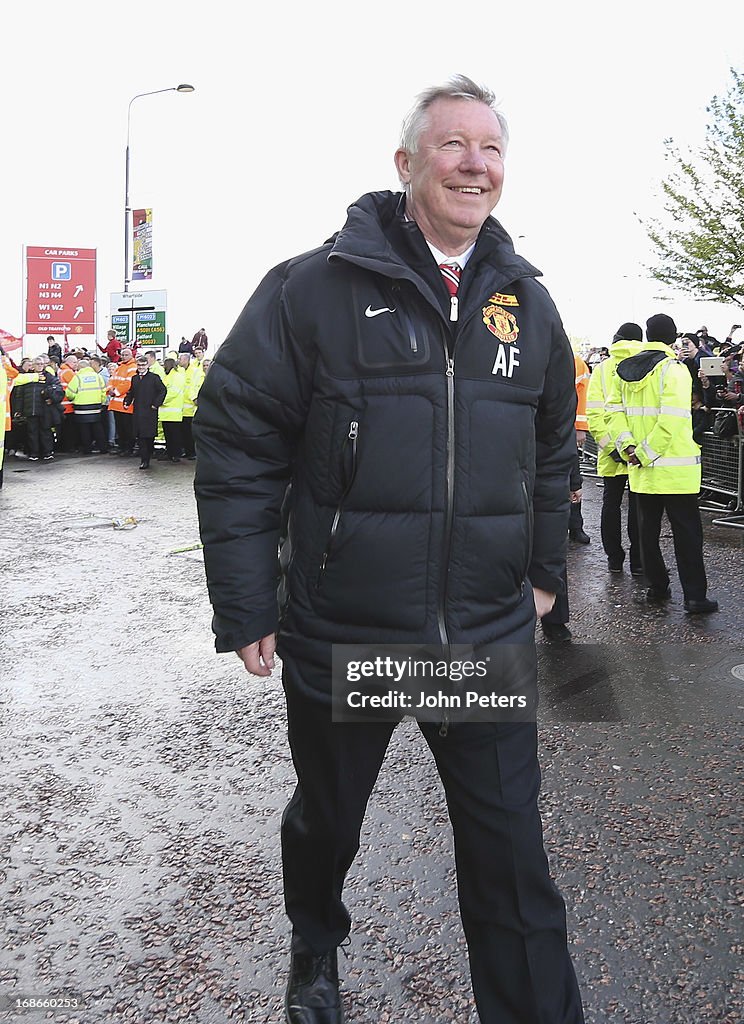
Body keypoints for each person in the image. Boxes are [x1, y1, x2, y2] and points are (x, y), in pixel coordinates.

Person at [193, 75, 584, 1024]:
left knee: (513, 862)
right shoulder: (310, 289)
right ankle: (315, 937)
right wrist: (248, 604)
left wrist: (540, 574)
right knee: (329, 822)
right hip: (349, 634)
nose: (474, 164)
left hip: (483, 640)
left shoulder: (526, 304)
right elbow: (238, 444)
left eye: (490, 149)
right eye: (452, 145)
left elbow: (550, 448)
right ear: (406, 163)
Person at [608, 313, 719, 614]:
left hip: (642, 471)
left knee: (647, 534)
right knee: (687, 537)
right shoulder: (675, 370)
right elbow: (671, 421)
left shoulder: (623, 371)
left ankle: (657, 588)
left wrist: (630, 448)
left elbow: (613, 413)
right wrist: (644, 452)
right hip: (676, 471)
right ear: (672, 338)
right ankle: (695, 597)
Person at [585, 322, 643, 574]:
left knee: (611, 505)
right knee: (639, 508)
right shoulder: (650, 364)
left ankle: (614, 559)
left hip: (612, 453)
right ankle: (639, 561)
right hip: (641, 453)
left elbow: (595, 413)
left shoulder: (602, 369)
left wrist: (612, 448)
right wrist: (632, 449)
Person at [15, 356, 64, 461]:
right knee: (32, 432)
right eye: (37, 364)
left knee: (45, 431)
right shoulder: (27, 377)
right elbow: (19, 395)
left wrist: (52, 398)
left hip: (45, 409)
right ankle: (34, 453)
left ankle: (47, 452)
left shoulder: (49, 376)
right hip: (30, 409)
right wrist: (18, 409)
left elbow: (59, 389)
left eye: (41, 364)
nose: (40, 366)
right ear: (33, 365)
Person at [123, 355, 167, 469]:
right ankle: (144, 460)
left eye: (143, 365)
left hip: (149, 412)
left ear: (147, 365)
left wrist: (155, 404)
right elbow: (131, 392)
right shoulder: (135, 378)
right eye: (139, 365)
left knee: (149, 437)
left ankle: (148, 455)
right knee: (140, 437)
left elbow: (162, 390)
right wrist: (127, 401)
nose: (141, 367)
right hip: (138, 411)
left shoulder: (154, 377)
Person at [64, 358, 108, 455]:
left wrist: (74, 399)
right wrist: (101, 401)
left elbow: (69, 393)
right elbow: (104, 390)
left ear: (80, 367)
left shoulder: (78, 377)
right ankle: (103, 448)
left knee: (84, 430)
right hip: (96, 406)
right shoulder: (97, 376)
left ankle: (87, 449)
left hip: (81, 408)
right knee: (98, 428)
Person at [107, 348, 138, 455]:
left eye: (126, 354)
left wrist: (114, 391)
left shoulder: (132, 367)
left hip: (126, 404)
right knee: (120, 428)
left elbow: (128, 383)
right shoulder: (119, 367)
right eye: (123, 354)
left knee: (127, 428)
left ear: (131, 355)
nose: (124, 356)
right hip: (116, 403)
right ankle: (122, 447)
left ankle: (128, 448)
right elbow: (111, 380)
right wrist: (109, 390)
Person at [158, 357, 184, 462]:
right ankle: (170, 453)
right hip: (165, 412)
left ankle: (176, 454)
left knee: (174, 435)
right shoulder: (166, 376)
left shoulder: (177, 376)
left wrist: (161, 401)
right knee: (168, 435)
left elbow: (173, 392)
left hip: (173, 411)